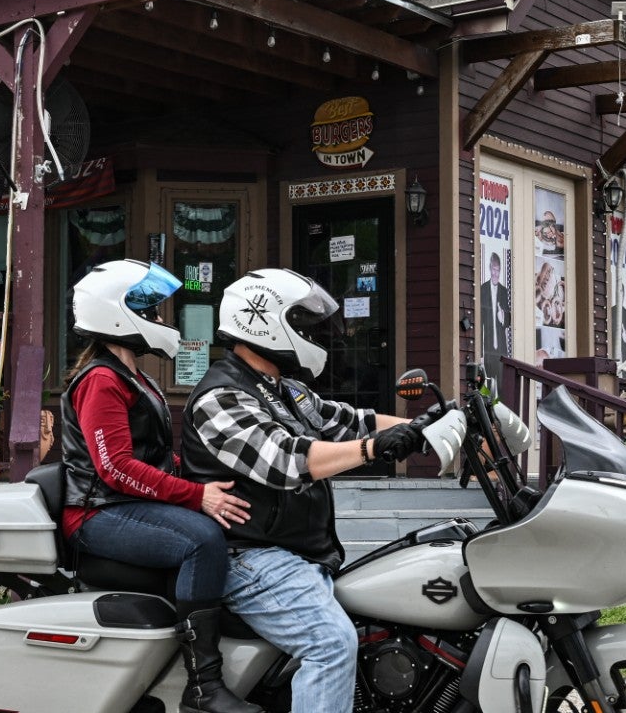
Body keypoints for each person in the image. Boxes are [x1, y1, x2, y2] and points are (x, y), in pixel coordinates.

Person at [184, 268, 464, 713]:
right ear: (264, 320)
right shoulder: (221, 396)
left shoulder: (286, 390)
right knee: (331, 643)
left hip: (296, 551)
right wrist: (373, 450)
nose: (307, 333)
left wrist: (436, 426)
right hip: (252, 556)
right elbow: (286, 460)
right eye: (298, 321)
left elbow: (356, 422)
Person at [59, 260, 257, 713]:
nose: (160, 320)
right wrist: (196, 495)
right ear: (116, 314)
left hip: (123, 503)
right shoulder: (103, 379)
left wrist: (204, 477)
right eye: (148, 309)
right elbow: (115, 468)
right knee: (201, 540)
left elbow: (151, 456)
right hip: (97, 512)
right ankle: (204, 686)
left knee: (227, 521)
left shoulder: (132, 375)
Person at [479, 252, 510, 377]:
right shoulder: (483, 289)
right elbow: (479, 323)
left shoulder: (504, 291)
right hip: (488, 349)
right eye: (493, 269)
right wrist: (480, 353)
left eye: (497, 270)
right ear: (489, 268)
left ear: (500, 270)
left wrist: (502, 317)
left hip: (501, 349)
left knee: (502, 387)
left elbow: (508, 321)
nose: (495, 273)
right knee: (490, 387)